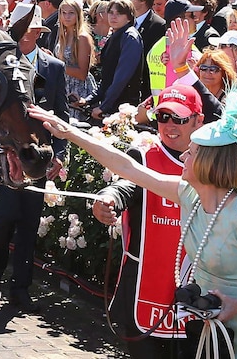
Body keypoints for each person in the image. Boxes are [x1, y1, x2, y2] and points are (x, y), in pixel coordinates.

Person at [29, 62, 237, 358]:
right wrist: (68, 131)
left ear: (209, 163)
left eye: (193, 152)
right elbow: (127, 167)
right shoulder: (189, 193)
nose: (184, 155)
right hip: (211, 335)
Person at [0, 3, 67, 312]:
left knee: (29, 222)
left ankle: (21, 287)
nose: (26, 37)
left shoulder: (53, 68)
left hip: (38, 157)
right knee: (4, 218)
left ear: (38, 33)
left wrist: (59, 154)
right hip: (6, 157)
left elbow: (61, 115)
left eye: (30, 32)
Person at [93, 84, 205, 357]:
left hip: (197, 289)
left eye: (178, 118)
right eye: (162, 117)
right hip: (145, 283)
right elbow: (126, 184)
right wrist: (107, 199)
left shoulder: (212, 161)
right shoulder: (144, 155)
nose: (169, 125)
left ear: (198, 120)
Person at [79, 0, 143, 121]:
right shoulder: (115, 35)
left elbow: (122, 77)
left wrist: (104, 106)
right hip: (112, 105)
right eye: (111, 13)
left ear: (129, 17)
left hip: (124, 107)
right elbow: (106, 77)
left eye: (119, 14)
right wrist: (87, 100)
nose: (113, 17)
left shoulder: (130, 37)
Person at [55, 0, 95, 120]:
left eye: (71, 13)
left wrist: (57, 64)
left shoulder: (82, 37)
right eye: (64, 13)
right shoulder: (63, 35)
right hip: (64, 87)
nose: (67, 17)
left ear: (78, 15)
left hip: (78, 90)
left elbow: (82, 73)